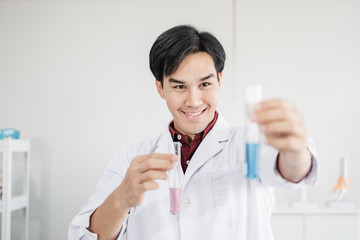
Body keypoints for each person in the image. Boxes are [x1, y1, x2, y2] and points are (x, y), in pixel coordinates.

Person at [69, 25, 317, 240]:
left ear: (220, 80)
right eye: (179, 86)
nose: (193, 100)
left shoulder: (248, 144)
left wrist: (295, 151)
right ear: (160, 87)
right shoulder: (130, 160)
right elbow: (85, 236)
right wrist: (121, 199)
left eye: (205, 84)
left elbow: (293, 171)